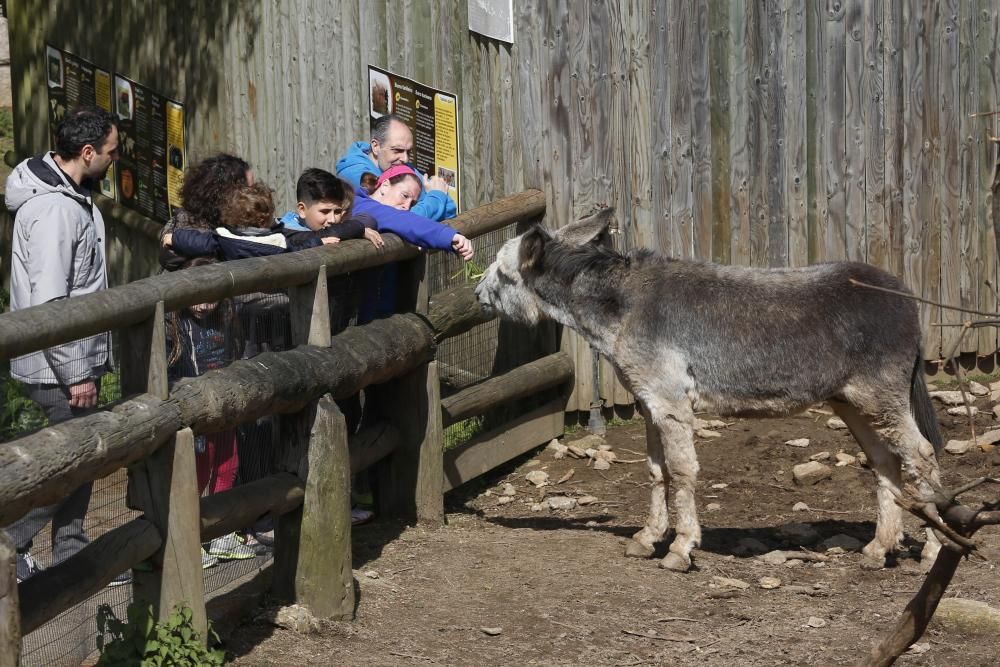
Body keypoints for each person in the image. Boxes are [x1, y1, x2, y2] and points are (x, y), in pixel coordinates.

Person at [4, 105, 124, 584]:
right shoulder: (54, 209)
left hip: (68, 358)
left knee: (80, 456)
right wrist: (75, 372)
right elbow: (52, 302)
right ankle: (10, 543)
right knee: (72, 460)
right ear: (88, 152)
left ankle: (70, 553)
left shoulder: (70, 193)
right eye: (112, 153)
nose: (116, 160)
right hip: (57, 365)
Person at [166, 257, 260, 566]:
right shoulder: (175, 323)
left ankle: (219, 532)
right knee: (196, 471)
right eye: (199, 295)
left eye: (212, 295)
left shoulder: (226, 316)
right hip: (193, 410)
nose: (205, 304)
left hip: (223, 406)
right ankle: (190, 537)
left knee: (226, 464)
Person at [162, 181, 366, 261]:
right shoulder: (276, 243)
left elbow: (198, 241)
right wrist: (318, 242)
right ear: (266, 219)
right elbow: (297, 250)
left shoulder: (223, 238)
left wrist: (175, 237)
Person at [336, 114, 457, 222]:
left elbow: (450, 208)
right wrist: (436, 195)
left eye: (408, 152)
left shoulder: (399, 165)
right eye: (397, 150)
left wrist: (431, 203)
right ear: (375, 146)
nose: (405, 159)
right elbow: (398, 219)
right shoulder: (356, 176)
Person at [160, 153, 255, 271]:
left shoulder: (186, 224)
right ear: (227, 196)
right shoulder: (204, 256)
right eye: (250, 190)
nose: (256, 195)